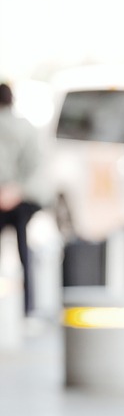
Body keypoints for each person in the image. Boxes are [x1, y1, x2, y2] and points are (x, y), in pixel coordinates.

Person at [0, 81, 48, 321]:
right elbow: (37, 166)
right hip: (22, 198)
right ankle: (29, 307)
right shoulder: (26, 127)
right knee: (24, 252)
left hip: (6, 198)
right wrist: (16, 190)